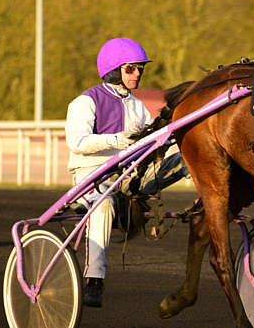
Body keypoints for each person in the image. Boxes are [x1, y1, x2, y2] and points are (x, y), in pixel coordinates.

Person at [65, 37, 188, 308]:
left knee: (184, 156)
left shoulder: (136, 104)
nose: (137, 74)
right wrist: (117, 140)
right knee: (104, 205)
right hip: (92, 178)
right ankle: (94, 279)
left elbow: (152, 142)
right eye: (131, 68)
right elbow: (76, 142)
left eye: (140, 68)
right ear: (113, 69)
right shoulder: (85, 102)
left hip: (128, 176)